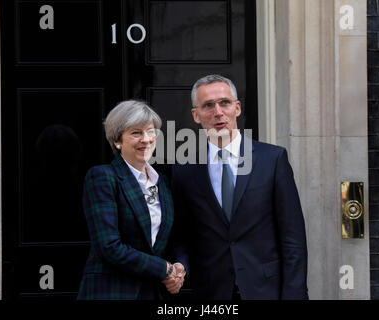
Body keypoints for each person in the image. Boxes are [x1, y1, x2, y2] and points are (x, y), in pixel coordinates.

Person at [170, 75, 309, 300]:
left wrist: (294, 294)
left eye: (224, 103)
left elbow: (293, 237)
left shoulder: (272, 159)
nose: (218, 112)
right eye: (208, 105)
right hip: (211, 293)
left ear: (237, 108)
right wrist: (180, 265)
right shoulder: (185, 170)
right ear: (196, 115)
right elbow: (182, 235)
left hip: (267, 291)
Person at [77, 100, 185, 300]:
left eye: (150, 131)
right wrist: (163, 268)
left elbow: (174, 237)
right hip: (112, 292)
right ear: (117, 140)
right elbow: (108, 246)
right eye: (136, 133)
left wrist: (178, 267)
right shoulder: (102, 177)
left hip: (154, 292)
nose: (146, 139)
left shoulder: (164, 183)